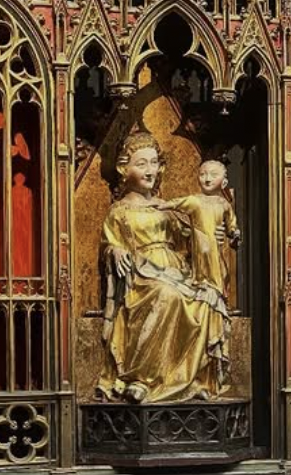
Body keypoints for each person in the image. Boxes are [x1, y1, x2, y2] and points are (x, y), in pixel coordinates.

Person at [96, 133, 230, 403]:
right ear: (125, 168)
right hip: (141, 278)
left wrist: (211, 237)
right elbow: (107, 246)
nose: (149, 170)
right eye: (141, 163)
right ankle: (142, 379)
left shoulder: (168, 207)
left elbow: (192, 240)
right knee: (166, 295)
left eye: (153, 163)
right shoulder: (119, 211)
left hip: (176, 271)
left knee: (206, 300)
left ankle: (188, 380)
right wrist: (117, 250)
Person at [154, 160, 241, 298]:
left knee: (222, 273)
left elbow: (232, 225)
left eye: (213, 175)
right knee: (202, 273)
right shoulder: (195, 201)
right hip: (200, 244)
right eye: (203, 175)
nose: (207, 179)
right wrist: (159, 205)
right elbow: (176, 203)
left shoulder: (224, 204)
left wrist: (234, 234)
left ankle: (220, 298)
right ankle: (206, 293)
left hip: (216, 248)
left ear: (224, 182)